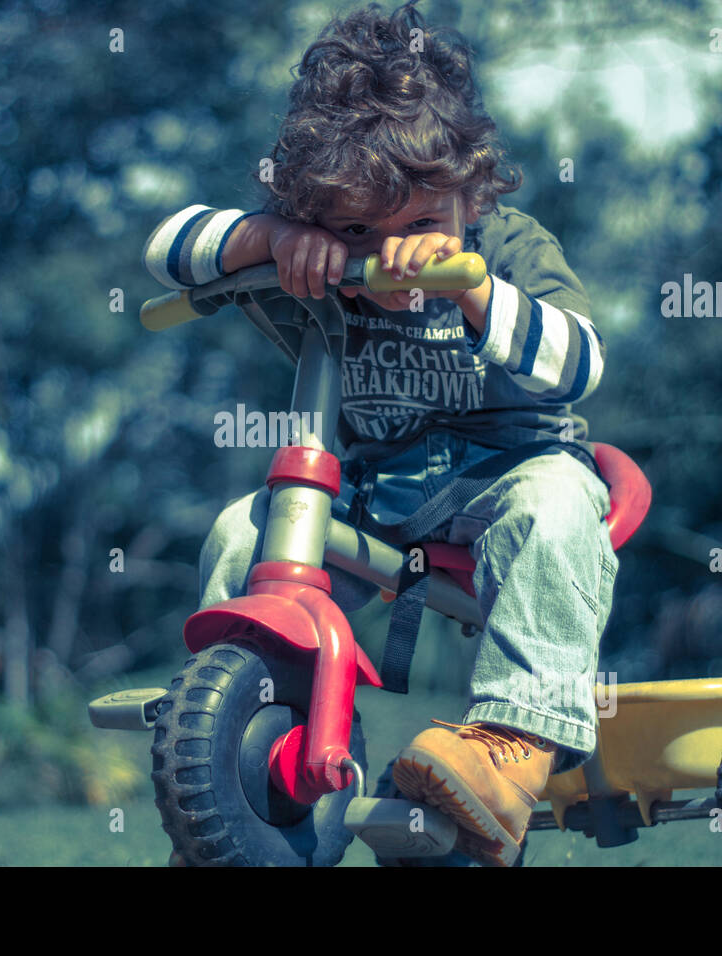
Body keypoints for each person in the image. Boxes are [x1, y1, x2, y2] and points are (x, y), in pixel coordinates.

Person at [140, 0, 617, 865]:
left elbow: (581, 362)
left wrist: (470, 289)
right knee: (245, 526)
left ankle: (512, 742)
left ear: (471, 193)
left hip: (505, 481)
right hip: (373, 498)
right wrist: (274, 239)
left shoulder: (507, 246)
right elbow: (167, 248)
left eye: (420, 227)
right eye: (357, 230)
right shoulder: (310, 268)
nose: (387, 256)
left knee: (554, 503)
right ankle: (240, 738)